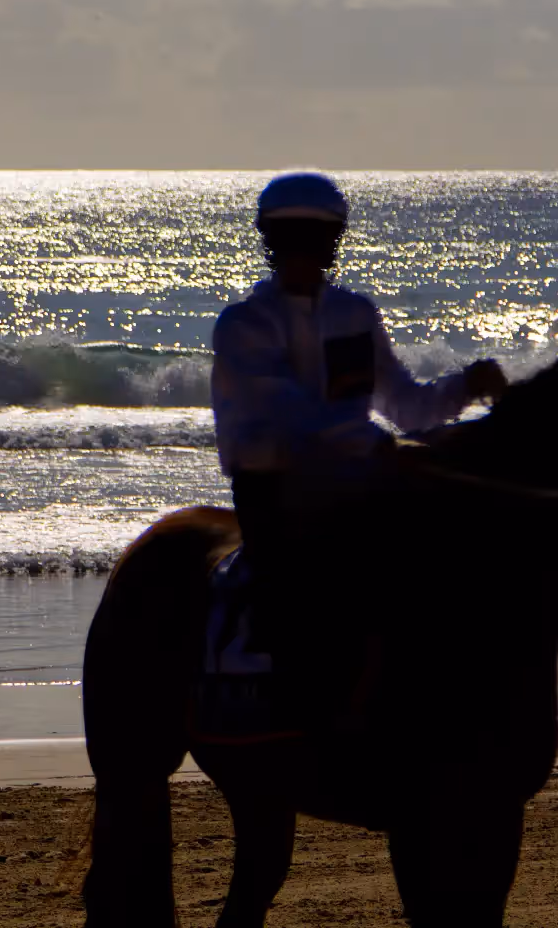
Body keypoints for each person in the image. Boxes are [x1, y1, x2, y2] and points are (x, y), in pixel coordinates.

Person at [212, 172, 506, 669]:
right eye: (291, 239)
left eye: (317, 238)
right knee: (296, 605)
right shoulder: (243, 325)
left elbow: (406, 407)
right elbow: (295, 417)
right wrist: (378, 449)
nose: (304, 251)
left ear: (333, 244)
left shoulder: (356, 314)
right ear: (271, 242)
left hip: (355, 479)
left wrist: (466, 386)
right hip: (273, 487)